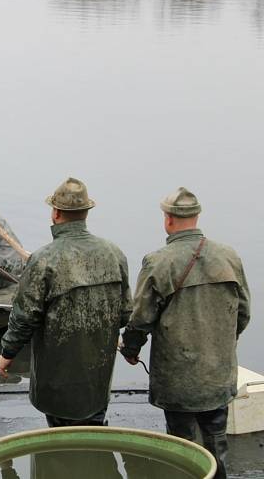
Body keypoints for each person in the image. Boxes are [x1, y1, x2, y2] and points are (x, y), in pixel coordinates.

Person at [120, 187, 250, 479]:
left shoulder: (158, 262)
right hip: (218, 373)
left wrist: (130, 349)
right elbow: (243, 313)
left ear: (168, 219)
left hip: (177, 379)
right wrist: (221, 346)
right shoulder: (229, 256)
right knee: (216, 442)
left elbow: (141, 319)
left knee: (182, 446)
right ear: (197, 216)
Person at [0, 177, 131, 427]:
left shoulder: (43, 259)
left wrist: (7, 353)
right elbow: (125, 313)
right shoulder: (114, 253)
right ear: (85, 213)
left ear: (56, 213)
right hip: (98, 376)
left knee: (60, 435)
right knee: (93, 425)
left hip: (57, 377)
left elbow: (24, 317)